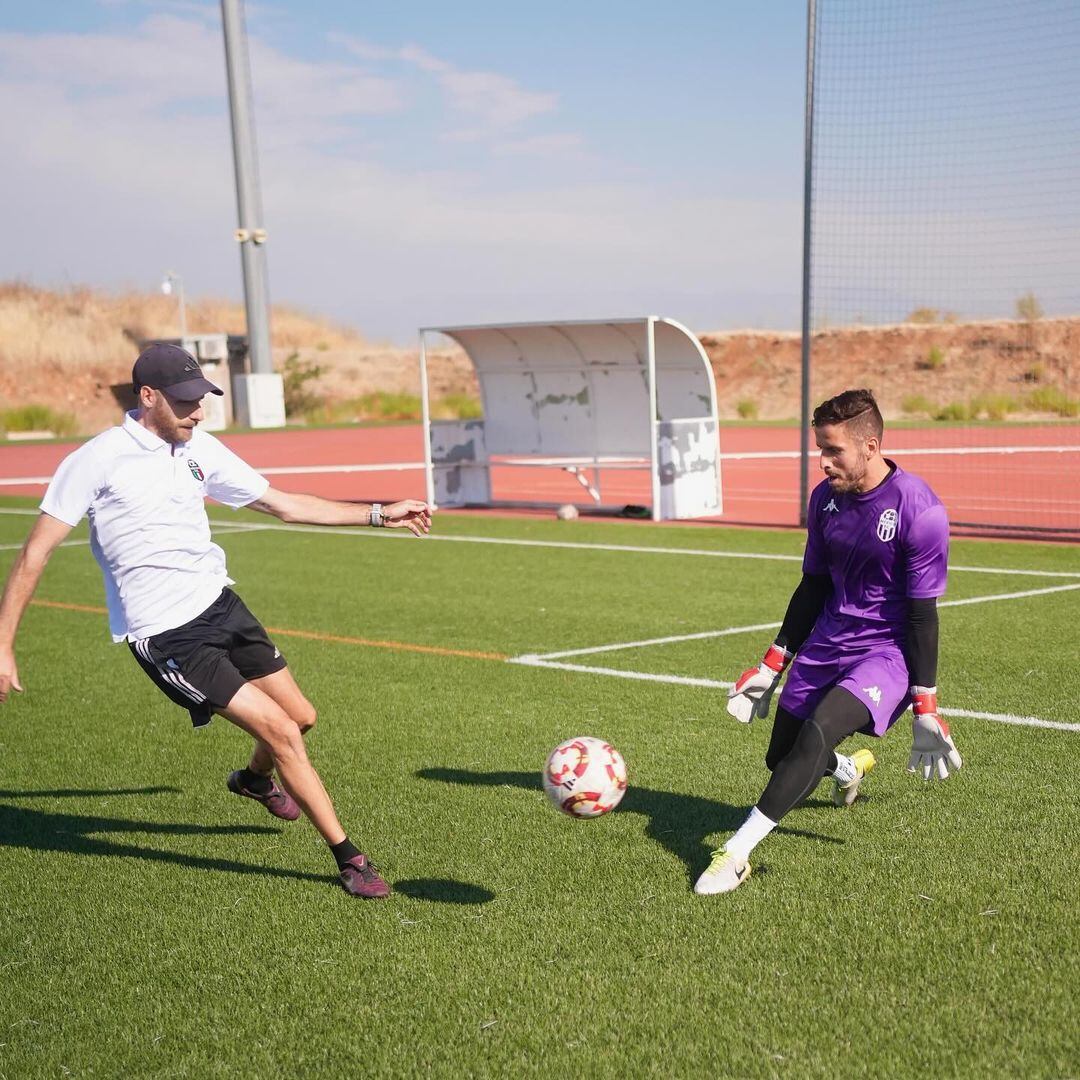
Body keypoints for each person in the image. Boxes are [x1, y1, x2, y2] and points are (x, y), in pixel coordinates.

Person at [0, 343, 433, 899]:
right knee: (279, 731)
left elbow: (285, 505)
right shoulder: (96, 459)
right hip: (166, 634)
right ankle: (351, 859)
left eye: (201, 400)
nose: (197, 412)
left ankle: (253, 780)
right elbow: (34, 553)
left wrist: (378, 513)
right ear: (148, 397)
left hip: (220, 604)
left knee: (300, 717)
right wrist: (5, 643)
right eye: (184, 403)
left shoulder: (198, 447)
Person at [695, 388, 961, 895]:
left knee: (820, 729)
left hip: (886, 653)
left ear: (870, 445)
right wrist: (772, 663)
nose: (822, 462)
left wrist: (925, 706)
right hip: (827, 641)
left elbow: (924, 615)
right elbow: (814, 584)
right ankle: (846, 768)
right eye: (819, 448)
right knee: (784, 760)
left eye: (833, 450)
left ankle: (737, 853)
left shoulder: (920, 511)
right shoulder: (825, 501)